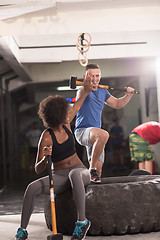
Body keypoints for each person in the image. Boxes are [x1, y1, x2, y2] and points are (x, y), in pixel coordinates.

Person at [15, 78, 92, 240]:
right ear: (57, 116)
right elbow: (37, 168)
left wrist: (86, 88)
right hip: (59, 176)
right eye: (65, 112)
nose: (69, 114)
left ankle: (82, 222)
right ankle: (22, 230)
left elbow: (79, 102)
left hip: (80, 171)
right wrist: (45, 158)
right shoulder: (47, 137)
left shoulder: (67, 124)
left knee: (75, 174)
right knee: (31, 188)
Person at [74, 63, 135, 183]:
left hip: (97, 136)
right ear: (85, 76)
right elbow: (83, 95)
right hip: (82, 132)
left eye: (97, 76)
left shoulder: (103, 92)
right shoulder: (82, 90)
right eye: (92, 76)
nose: (95, 79)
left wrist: (128, 95)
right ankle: (91, 169)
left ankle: (91, 190)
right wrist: (88, 86)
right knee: (104, 135)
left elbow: (117, 104)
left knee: (99, 171)